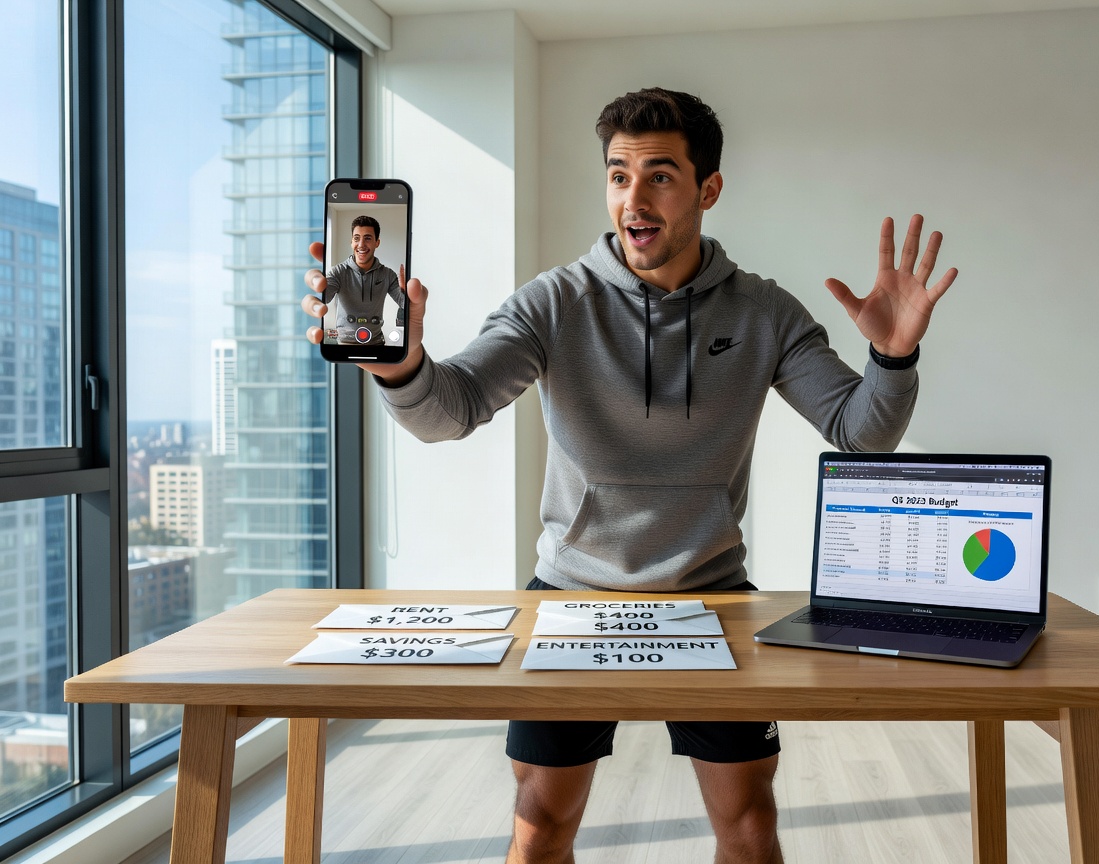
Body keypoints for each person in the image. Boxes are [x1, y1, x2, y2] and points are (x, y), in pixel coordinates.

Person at [302, 87, 956, 864]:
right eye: (618, 175)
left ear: (708, 189)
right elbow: (452, 409)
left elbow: (862, 434)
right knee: (540, 822)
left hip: (711, 594)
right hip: (573, 595)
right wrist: (399, 361)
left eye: (659, 176)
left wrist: (893, 358)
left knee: (748, 822)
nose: (633, 199)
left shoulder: (764, 312)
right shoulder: (554, 302)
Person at [322, 214, 404, 345]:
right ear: (351, 242)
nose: (361, 244)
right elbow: (323, 299)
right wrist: (318, 285)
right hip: (345, 344)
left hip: (376, 342)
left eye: (367, 238)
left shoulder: (387, 274)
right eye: (356, 238)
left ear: (377, 242)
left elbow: (405, 303)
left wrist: (406, 291)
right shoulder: (338, 272)